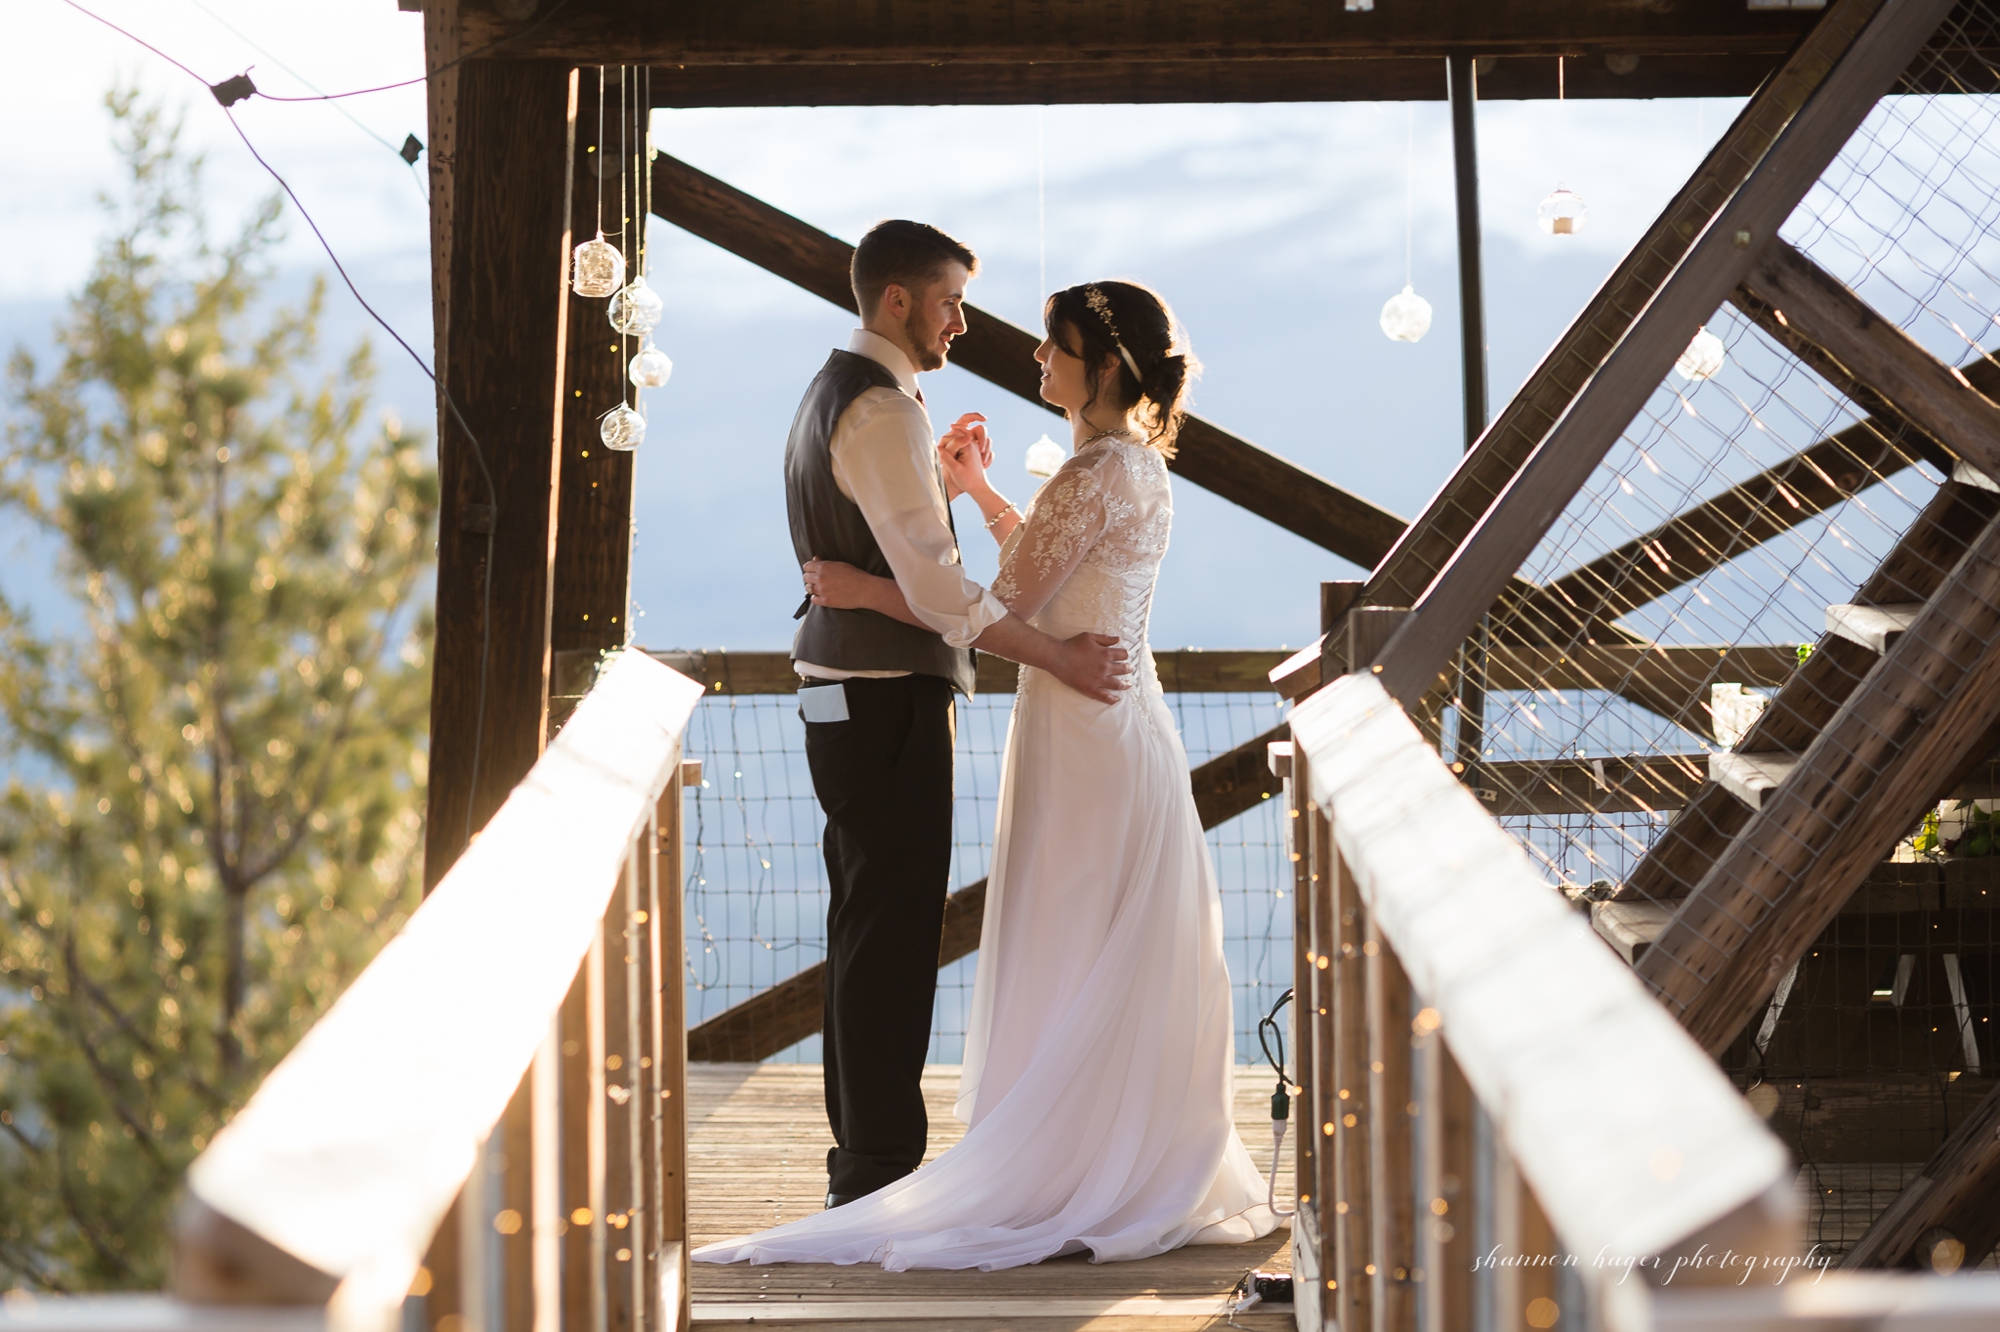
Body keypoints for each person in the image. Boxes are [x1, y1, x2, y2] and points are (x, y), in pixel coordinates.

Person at [696, 278, 1277, 1270]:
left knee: (1069, 928)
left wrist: (859, 588)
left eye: (1050, 349)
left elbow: (986, 606)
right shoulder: (1125, 467)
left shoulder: (1090, 474)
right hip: (1117, 720)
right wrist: (976, 488)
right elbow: (1053, 579)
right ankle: (1111, 1154)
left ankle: (1067, 1165)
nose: (1034, 361)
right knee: (1096, 938)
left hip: (1081, 732)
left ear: (1098, 367)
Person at [779, 220, 1130, 1214]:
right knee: (891, 934)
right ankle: (881, 1167)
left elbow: (892, 569)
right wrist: (1056, 654)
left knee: (865, 925)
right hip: (884, 699)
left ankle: (866, 1157)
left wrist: (950, 494)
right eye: (948, 303)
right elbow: (937, 595)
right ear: (897, 301)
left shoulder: (828, 389)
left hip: (838, 693)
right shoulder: (881, 408)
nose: (960, 324)